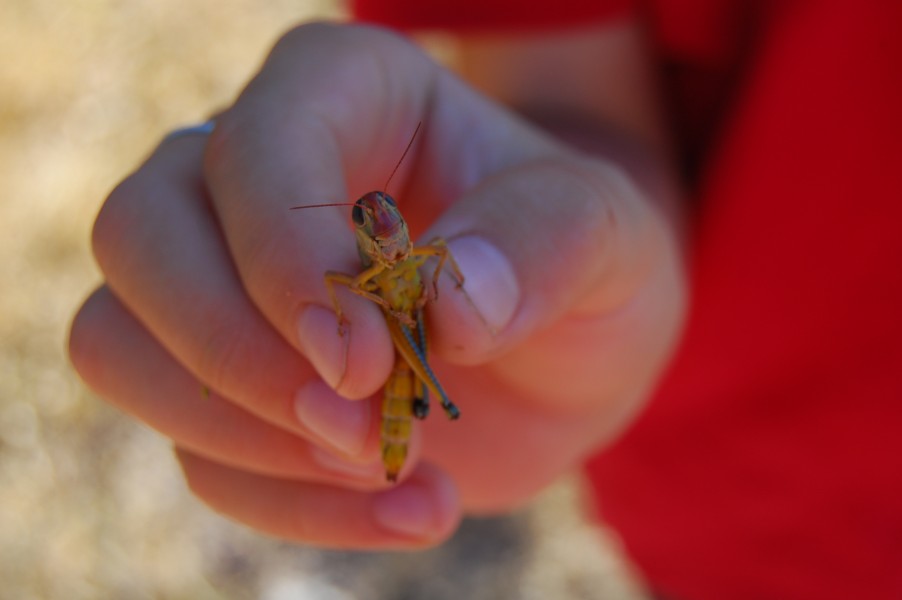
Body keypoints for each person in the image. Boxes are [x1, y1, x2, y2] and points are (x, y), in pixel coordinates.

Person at [68, 1, 902, 598]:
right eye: (372, 218)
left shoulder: (404, 260)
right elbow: (566, 110)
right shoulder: (369, 264)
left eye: (381, 217)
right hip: (767, 538)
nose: (379, 222)